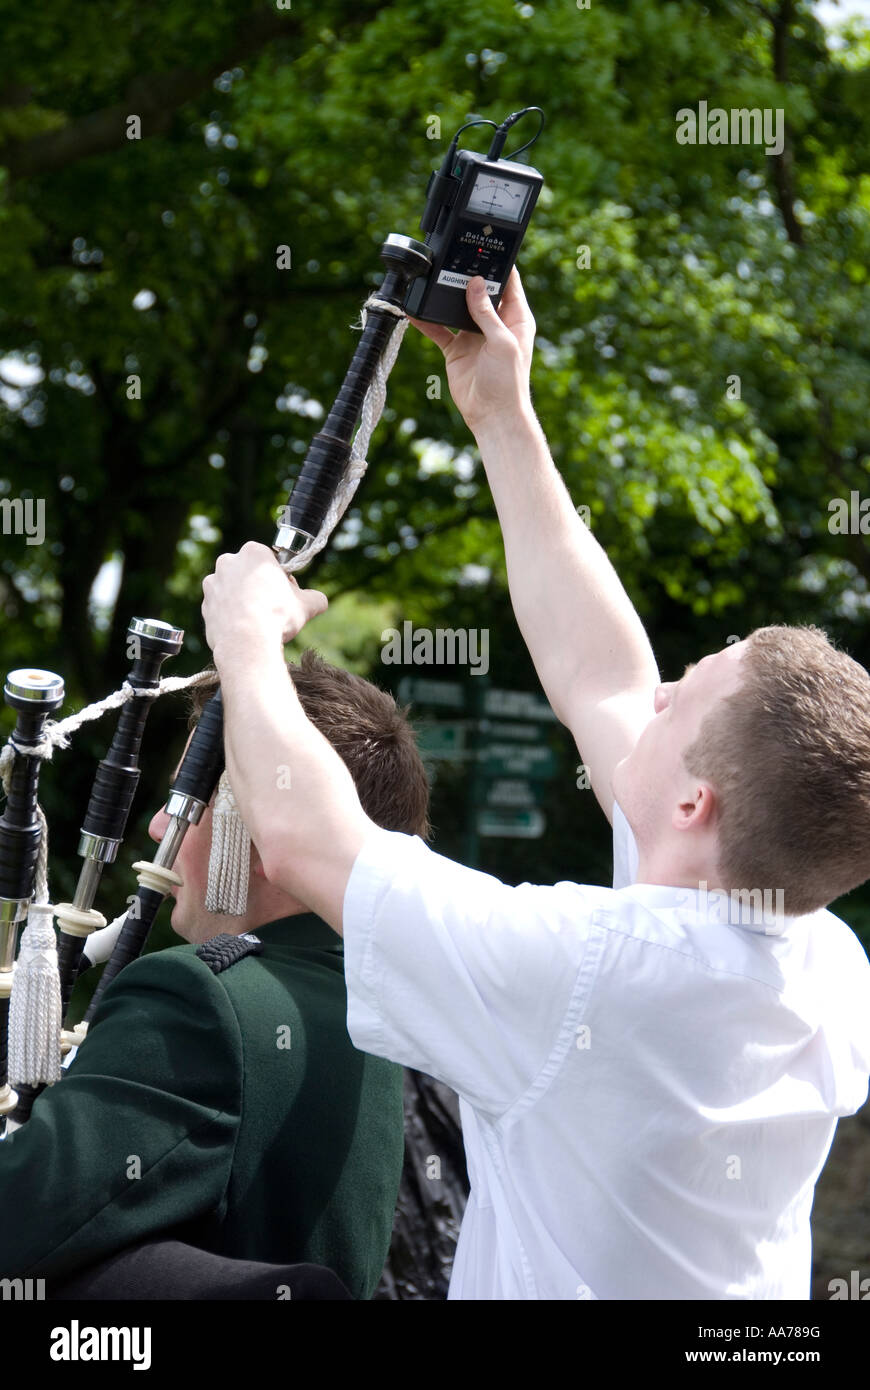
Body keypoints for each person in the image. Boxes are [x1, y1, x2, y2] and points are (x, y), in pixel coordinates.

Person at [199, 270, 870, 1300]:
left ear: (696, 803)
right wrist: (501, 410)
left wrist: (245, 639)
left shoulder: (586, 976)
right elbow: (603, 674)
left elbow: (302, 838)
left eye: (680, 698)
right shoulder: (819, 955)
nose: (654, 697)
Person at [0, 649, 429, 1299]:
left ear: (257, 828)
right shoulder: (368, 1004)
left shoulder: (200, 999)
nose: (156, 826)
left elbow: (14, 1227)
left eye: (185, 803)